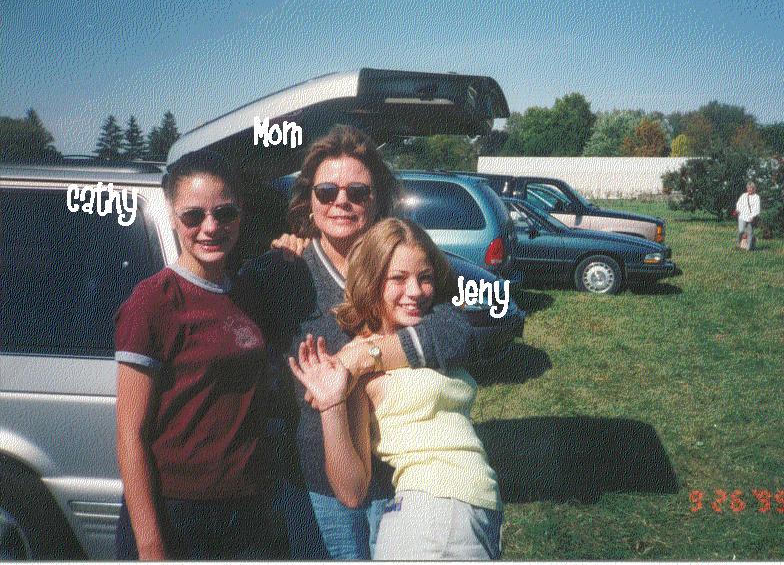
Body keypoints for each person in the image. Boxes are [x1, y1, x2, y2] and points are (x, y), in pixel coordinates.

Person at [240, 125, 475, 559]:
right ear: (309, 201)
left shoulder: (401, 257)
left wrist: (364, 356)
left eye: (358, 192)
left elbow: (457, 329)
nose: (341, 202)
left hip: (401, 475)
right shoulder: (285, 270)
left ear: (377, 198)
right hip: (316, 481)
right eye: (326, 191)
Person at [290, 218, 502, 560]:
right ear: (372, 281)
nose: (415, 291)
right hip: (431, 515)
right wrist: (332, 405)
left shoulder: (427, 333)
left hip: (472, 509)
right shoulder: (356, 364)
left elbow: (474, 326)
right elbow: (352, 490)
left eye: (425, 277)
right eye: (398, 279)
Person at [113, 150, 288, 559]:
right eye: (193, 216)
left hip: (245, 511)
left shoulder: (247, 293)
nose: (210, 227)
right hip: (176, 513)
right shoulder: (153, 301)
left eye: (224, 213)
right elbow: (129, 434)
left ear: (240, 215)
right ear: (173, 217)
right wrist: (150, 543)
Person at [735, 181, 761, 250]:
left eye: (751, 188)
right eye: (748, 188)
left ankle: (748, 249)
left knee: (750, 233)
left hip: (750, 217)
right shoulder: (743, 195)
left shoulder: (756, 197)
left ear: (754, 189)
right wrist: (737, 209)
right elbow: (739, 203)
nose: (749, 189)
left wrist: (753, 216)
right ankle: (738, 244)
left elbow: (757, 208)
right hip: (742, 216)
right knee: (741, 231)